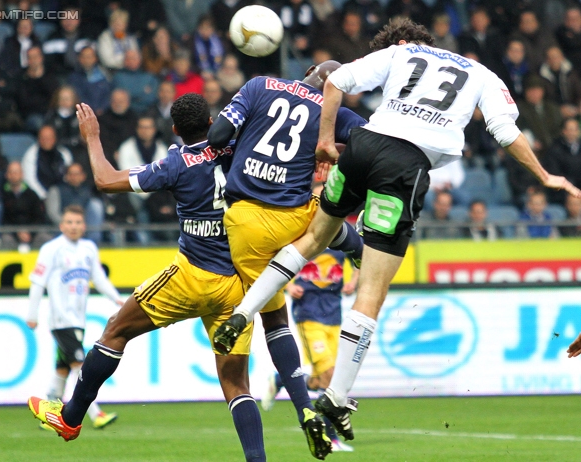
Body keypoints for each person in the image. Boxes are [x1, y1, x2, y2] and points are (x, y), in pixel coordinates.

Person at [216, 17, 581, 442]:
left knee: (311, 240)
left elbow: (334, 82)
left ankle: (242, 313)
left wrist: (326, 140)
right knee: (371, 291)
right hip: (403, 168)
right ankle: (336, 396)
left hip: (363, 148)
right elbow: (503, 130)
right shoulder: (481, 73)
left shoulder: (400, 52)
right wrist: (543, 175)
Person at [28, 96, 267, 462]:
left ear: (174, 130)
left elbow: (106, 181)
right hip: (236, 284)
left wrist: (92, 136)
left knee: (115, 331)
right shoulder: (242, 150)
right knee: (236, 384)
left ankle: (70, 418)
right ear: (212, 121)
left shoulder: (176, 163)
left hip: (191, 276)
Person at [207, 60, 367, 459]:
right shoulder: (336, 112)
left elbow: (218, 135)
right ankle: (358, 247)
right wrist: (335, 149)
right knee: (326, 219)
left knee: (272, 319)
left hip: (243, 219)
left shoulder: (260, 85)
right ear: (340, 89)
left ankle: (289, 408)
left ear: (309, 69)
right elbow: (370, 143)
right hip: (293, 217)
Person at [262, 184, 358, 454]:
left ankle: (281, 380)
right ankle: (330, 436)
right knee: (328, 375)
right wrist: (287, 286)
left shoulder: (340, 231)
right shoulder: (300, 230)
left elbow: (359, 255)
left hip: (334, 311)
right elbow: (276, 258)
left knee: (325, 375)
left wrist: (354, 280)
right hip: (308, 313)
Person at [26, 204, 121, 432]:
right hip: (61, 319)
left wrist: (118, 300)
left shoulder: (88, 248)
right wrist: (32, 313)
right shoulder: (51, 248)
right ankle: (96, 414)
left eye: (78, 222)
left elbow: (98, 278)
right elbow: (38, 281)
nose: (74, 227)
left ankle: (47, 417)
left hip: (78, 319)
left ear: (84, 226)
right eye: (69, 222)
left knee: (63, 367)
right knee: (81, 364)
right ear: (61, 225)